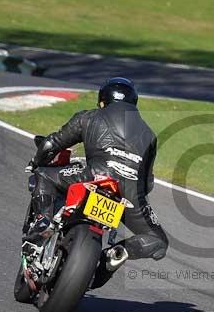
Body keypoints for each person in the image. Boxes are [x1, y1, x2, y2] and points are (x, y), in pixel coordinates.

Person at [24, 77, 168, 287]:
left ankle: (43, 221)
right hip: (130, 192)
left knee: (44, 174)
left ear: (102, 101)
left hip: (94, 174)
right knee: (158, 240)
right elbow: (147, 184)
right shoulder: (150, 135)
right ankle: (118, 252)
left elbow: (50, 144)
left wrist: (36, 163)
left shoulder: (90, 116)